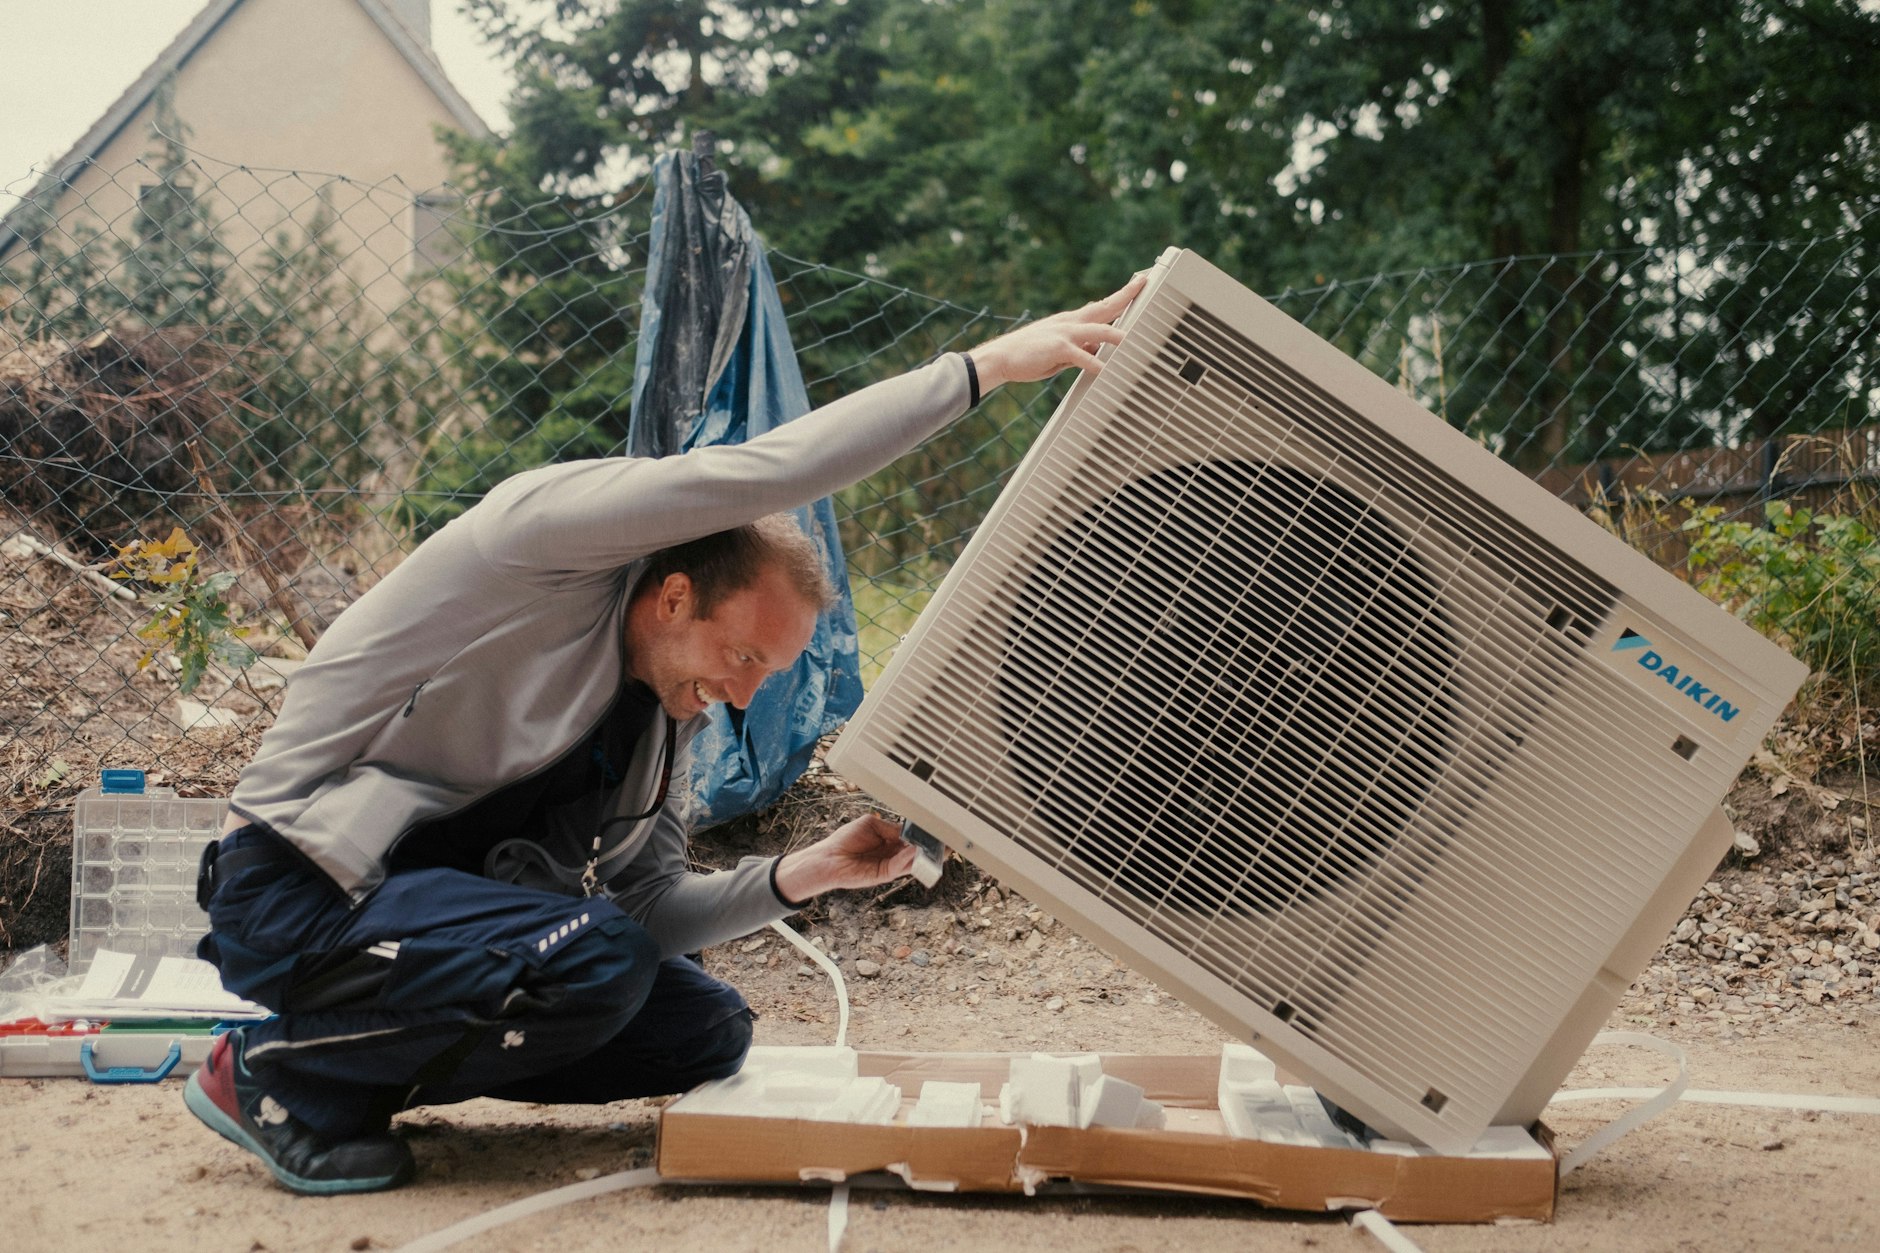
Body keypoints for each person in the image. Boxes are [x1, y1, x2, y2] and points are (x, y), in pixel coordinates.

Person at [183, 275, 1146, 1194]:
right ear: (676, 595)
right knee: (593, 956)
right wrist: (986, 368)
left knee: (701, 1027)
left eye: (763, 676)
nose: (740, 692)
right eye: (742, 657)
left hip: (422, 928)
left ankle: (362, 1071)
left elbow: (646, 910)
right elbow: (777, 468)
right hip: (298, 888)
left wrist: (804, 873)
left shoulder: (658, 717)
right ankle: (277, 1074)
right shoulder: (541, 547)